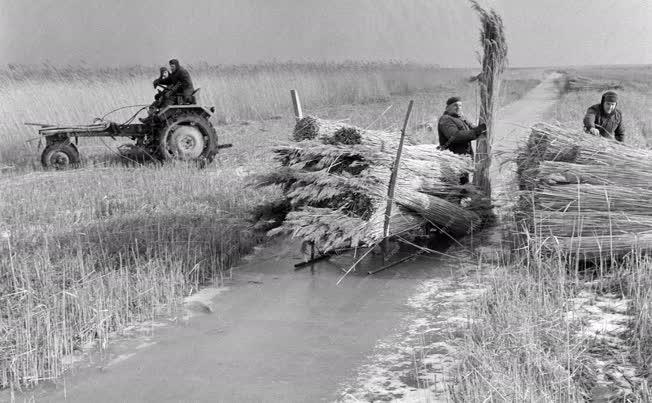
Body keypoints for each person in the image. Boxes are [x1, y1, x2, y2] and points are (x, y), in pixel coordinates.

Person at [437, 96, 486, 184]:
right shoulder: (445, 119)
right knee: (454, 189)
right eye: (455, 105)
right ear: (447, 108)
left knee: (463, 187)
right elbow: (455, 136)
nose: (458, 107)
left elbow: (472, 127)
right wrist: (476, 132)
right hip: (453, 160)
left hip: (463, 160)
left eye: (460, 106)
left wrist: (481, 128)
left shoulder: (461, 118)